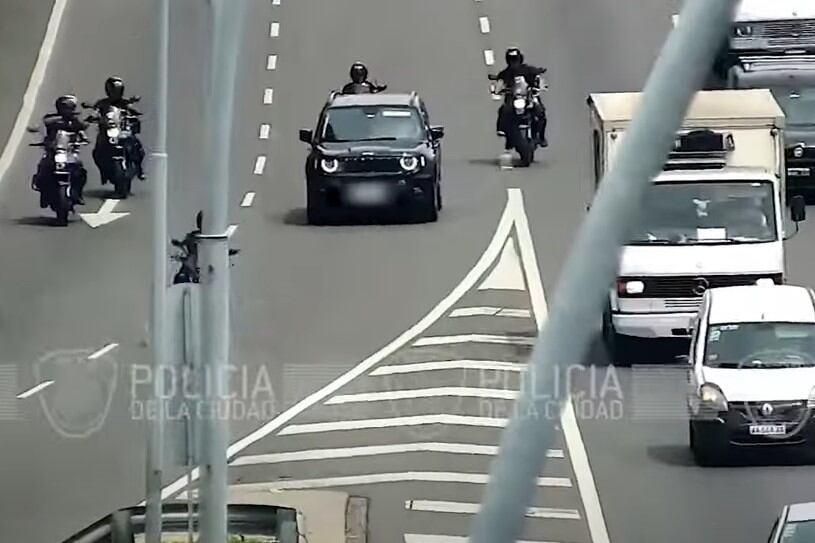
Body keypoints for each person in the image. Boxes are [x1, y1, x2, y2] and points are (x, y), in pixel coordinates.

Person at [32, 94, 89, 205]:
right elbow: (43, 126)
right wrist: (44, 139)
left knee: (80, 170)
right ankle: (43, 191)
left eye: (69, 108)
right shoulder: (51, 119)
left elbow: (82, 128)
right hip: (54, 151)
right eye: (65, 108)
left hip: (69, 151)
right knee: (43, 167)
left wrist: (83, 138)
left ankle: (78, 194)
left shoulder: (75, 120)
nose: (67, 110)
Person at [91, 76, 146, 179]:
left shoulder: (125, 102)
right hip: (107, 131)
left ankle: (139, 169)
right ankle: (103, 171)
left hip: (122, 130)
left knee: (137, 146)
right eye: (114, 90)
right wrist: (94, 117)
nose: (116, 93)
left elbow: (133, 110)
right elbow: (95, 111)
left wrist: (135, 114)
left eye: (118, 90)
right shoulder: (102, 103)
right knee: (97, 151)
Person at [494, 47, 548, 147]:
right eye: (511, 60)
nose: (514, 62)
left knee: (540, 111)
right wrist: (497, 90)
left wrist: (540, 86)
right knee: (503, 110)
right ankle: (503, 130)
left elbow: (538, 76)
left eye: (515, 59)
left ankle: (541, 137)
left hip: (528, 97)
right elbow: (499, 83)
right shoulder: (505, 73)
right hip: (512, 99)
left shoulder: (528, 70)